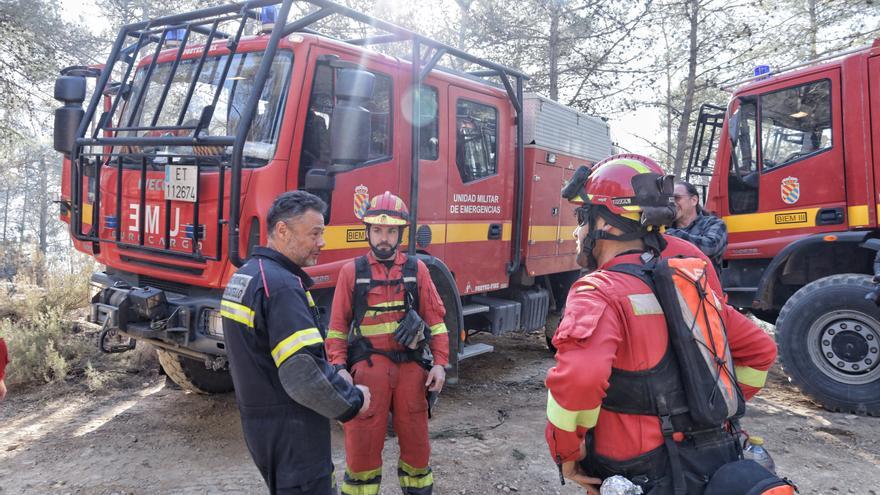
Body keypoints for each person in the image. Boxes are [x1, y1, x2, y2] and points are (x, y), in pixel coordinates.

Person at [545, 155, 777, 495]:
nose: (577, 231)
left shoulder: (598, 290)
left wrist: (566, 453)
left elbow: (580, 379)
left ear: (606, 224)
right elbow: (760, 351)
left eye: (583, 217)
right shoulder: (690, 283)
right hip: (709, 457)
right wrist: (709, 406)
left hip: (639, 468)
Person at [222, 190, 370, 495]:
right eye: (314, 233)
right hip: (294, 430)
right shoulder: (282, 287)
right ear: (282, 230)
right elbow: (302, 375)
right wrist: (353, 399)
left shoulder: (246, 275)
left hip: (261, 425)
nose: (322, 243)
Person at [325, 191, 450, 495]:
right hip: (368, 374)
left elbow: (436, 320)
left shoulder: (417, 270)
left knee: (417, 451)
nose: (384, 238)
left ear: (400, 234)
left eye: (391, 231)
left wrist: (441, 364)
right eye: (378, 230)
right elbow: (337, 329)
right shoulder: (351, 272)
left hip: (412, 373)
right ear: (368, 232)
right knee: (362, 453)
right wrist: (339, 369)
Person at [665, 180, 728, 277]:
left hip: (704, 290)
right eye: (670, 199)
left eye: (677, 198)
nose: (672, 203)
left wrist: (671, 236)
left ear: (694, 200)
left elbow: (710, 247)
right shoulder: (663, 228)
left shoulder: (714, 224)